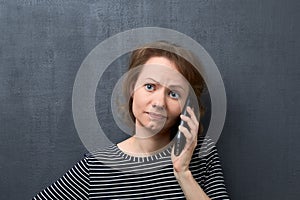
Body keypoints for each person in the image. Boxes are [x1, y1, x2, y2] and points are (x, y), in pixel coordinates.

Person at [33, 41, 229, 199]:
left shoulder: (202, 155)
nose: (159, 102)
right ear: (132, 88)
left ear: (186, 106)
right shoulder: (97, 166)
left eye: (174, 94)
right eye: (150, 86)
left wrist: (183, 173)